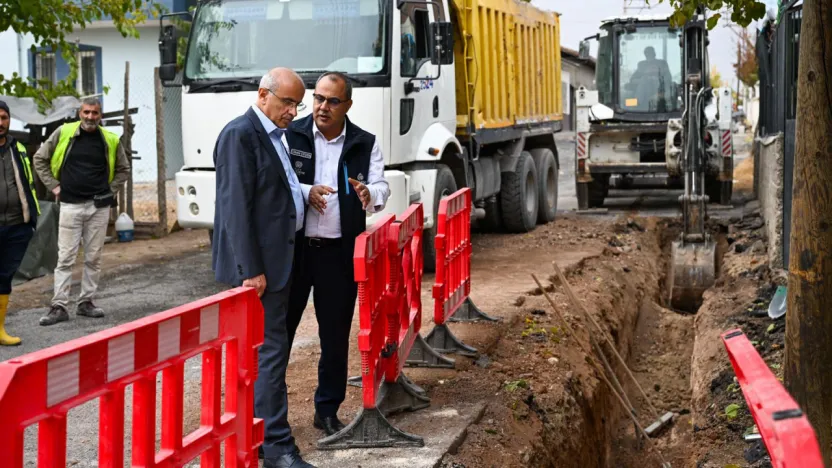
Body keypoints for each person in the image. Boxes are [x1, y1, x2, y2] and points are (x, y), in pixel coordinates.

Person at [211, 67, 315, 468]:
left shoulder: (274, 135)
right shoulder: (241, 135)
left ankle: (259, 438)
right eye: (287, 102)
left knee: (268, 353)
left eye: (297, 104)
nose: (293, 111)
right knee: (269, 354)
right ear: (263, 95)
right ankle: (277, 447)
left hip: (278, 263)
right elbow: (235, 208)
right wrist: (250, 270)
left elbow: (277, 191)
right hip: (259, 272)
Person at [285, 71, 390, 435]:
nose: (322, 107)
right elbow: (279, 181)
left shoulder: (364, 143)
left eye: (332, 101)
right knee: (280, 333)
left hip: (338, 255)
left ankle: (327, 411)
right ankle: (271, 415)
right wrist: (306, 191)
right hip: (295, 252)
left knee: (334, 336)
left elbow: (381, 186)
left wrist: (369, 194)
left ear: (347, 105)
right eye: (318, 98)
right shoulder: (291, 135)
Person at [33, 97, 130, 326]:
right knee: (65, 258)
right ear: (80, 113)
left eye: (95, 113)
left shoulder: (109, 139)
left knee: (93, 257)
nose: (90, 117)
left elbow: (123, 169)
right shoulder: (64, 132)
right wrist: (54, 186)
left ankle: (86, 302)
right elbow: (39, 159)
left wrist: (110, 190)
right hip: (70, 205)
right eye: (86, 112)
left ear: (100, 115)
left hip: (98, 207)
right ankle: (59, 306)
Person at [0, 100, 40, 345]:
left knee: (5, 277)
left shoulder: (18, 148)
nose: (0, 122)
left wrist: (31, 220)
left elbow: (28, 183)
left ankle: (0, 330)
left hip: (17, 225)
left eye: (4, 117)